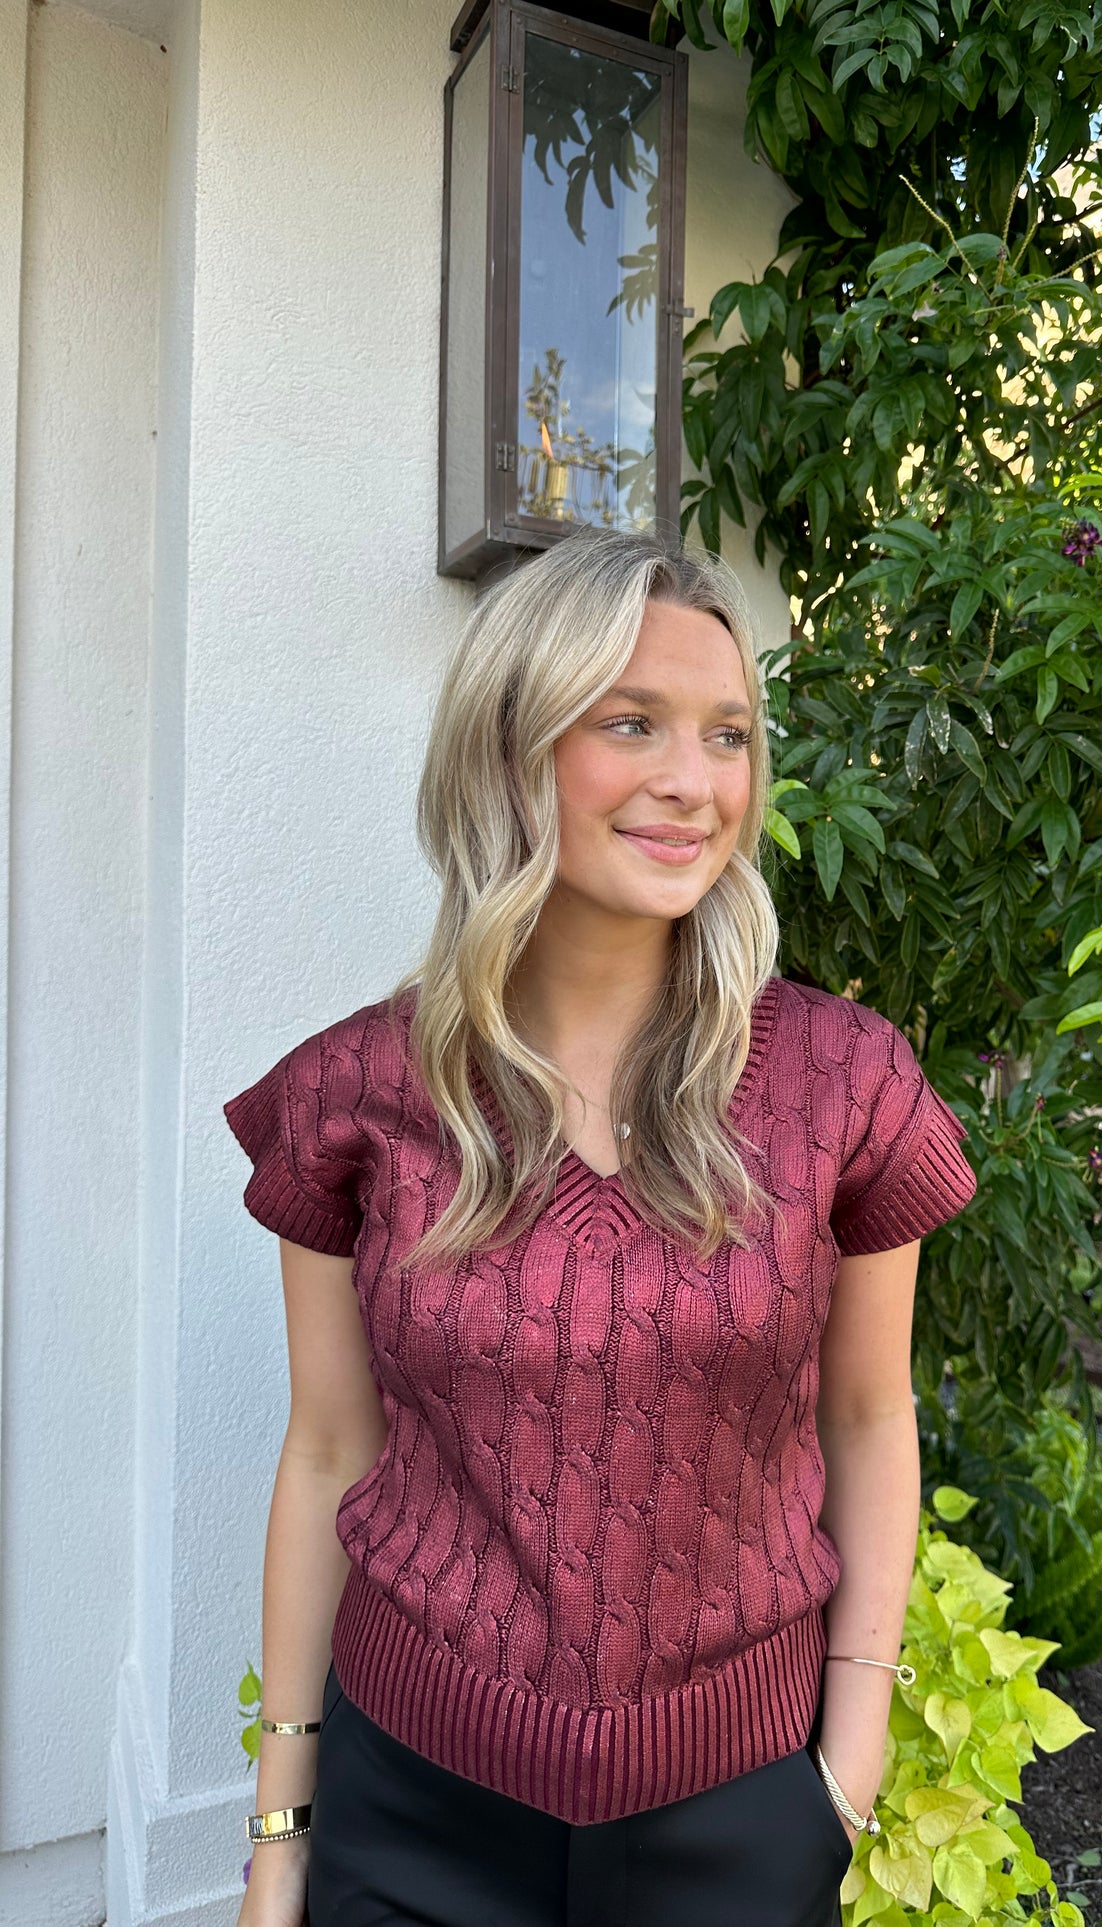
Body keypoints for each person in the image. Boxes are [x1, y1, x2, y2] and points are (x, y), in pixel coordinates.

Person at [224, 527, 977, 1927]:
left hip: (737, 1816)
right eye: (631, 723)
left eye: (729, 735)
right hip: (411, 1810)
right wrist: (282, 1838)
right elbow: (329, 1446)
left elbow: (869, 1420)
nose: (693, 783)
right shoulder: (355, 1099)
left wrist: (849, 1765)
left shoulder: (844, 1087)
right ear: (510, 751)